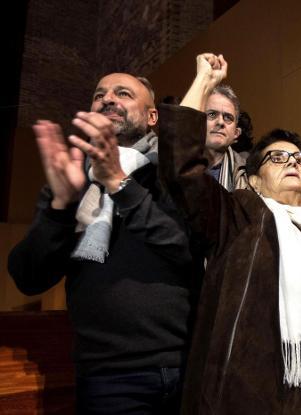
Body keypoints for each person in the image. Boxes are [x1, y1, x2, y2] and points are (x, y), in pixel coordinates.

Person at [158, 92, 301, 413]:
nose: (293, 162)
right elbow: (181, 170)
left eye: (299, 159)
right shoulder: (236, 214)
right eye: (277, 158)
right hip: (253, 399)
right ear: (254, 180)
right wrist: (203, 82)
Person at [8, 73, 194, 414]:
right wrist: (60, 206)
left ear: (153, 117)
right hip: (109, 378)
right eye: (99, 95)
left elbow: (187, 251)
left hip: (187, 367)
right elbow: (28, 276)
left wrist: (120, 185)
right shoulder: (71, 177)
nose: (108, 99)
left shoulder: (174, 174)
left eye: (123, 93)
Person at [180, 52, 249, 191]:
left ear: (236, 133)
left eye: (228, 117)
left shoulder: (250, 172)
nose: (220, 122)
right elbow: (178, 136)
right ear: (198, 122)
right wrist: (203, 77)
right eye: (212, 114)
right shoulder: (175, 161)